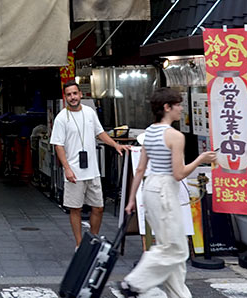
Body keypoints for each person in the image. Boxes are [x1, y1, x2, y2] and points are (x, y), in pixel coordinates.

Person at [119, 88, 217, 298]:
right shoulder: (175, 136)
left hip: (150, 188)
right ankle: (134, 282)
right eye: (178, 104)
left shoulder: (149, 132)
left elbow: (140, 169)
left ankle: (179, 295)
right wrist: (201, 159)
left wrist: (130, 200)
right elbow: (179, 173)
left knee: (169, 247)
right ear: (167, 107)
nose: (182, 108)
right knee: (176, 248)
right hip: (165, 190)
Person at [49, 80, 128, 247]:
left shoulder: (89, 112)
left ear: (80, 94)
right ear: (65, 97)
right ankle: (79, 245)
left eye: (75, 93)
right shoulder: (61, 118)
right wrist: (67, 169)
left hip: (93, 170)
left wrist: (115, 145)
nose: (72, 97)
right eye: (69, 95)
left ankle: (92, 240)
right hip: (74, 172)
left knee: (98, 207)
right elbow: (58, 145)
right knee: (75, 209)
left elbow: (100, 133)